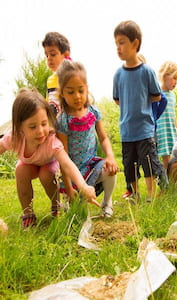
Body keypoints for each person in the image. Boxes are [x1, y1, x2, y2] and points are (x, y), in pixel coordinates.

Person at [0, 88, 98, 228]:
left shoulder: (51, 141)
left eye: (44, 124)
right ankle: (28, 213)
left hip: (48, 164)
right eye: (33, 127)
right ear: (20, 127)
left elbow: (67, 164)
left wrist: (84, 186)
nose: (40, 131)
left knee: (46, 174)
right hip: (29, 165)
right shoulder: (15, 138)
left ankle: (56, 206)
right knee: (20, 170)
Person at [56, 60, 118, 217]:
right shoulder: (63, 120)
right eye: (70, 92)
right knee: (76, 214)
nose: (77, 96)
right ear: (62, 93)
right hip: (73, 172)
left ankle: (107, 203)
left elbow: (103, 138)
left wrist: (110, 156)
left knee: (110, 170)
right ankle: (69, 201)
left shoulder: (93, 112)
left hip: (92, 166)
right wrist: (69, 187)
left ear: (87, 88)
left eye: (80, 90)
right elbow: (64, 158)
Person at [113, 20, 166, 203]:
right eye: (116, 44)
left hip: (144, 129)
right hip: (127, 130)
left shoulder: (147, 72)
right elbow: (117, 99)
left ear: (135, 44)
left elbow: (157, 96)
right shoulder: (118, 75)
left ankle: (151, 195)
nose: (118, 48)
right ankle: (134, 194)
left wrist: (140, 101)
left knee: (148, 163)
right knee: (129, 165)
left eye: (122, 42)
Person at [122, 54, 168, 199]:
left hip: (148, 130)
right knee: (130, 160)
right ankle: (131, 189)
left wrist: (154, 118)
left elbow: (163, 99)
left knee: (150, 160)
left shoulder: (148, 86)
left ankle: (164, 186)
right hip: (131, 131)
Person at [156, 61, 177, 170]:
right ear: (165, 76)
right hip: (161, 130)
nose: (176, 82)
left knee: (172, 157)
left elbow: (173, 113)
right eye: (174, 78)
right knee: (165, 157)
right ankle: (164, 184)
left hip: (171, 130)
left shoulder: (172, 96)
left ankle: (171, 181)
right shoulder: (157, 93)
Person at [42, 32, 72, 117]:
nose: (49, 58)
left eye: (53, 54)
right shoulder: (50, 80)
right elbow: (48, 104)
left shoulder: (72, 77)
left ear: (66, 55)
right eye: (46, 55)